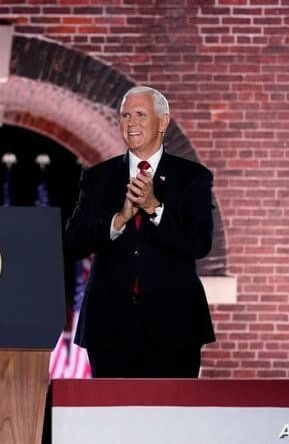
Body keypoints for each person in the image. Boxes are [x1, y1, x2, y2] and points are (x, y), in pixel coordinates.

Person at [65, 85, 215, 378]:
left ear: (163, 121)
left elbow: (199, 244)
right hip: (109, 325)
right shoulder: (98, 178)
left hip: (175, 324)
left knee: (172, 416)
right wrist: (117, 221)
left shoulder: (192, 178)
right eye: (125, 115)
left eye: (140, 114)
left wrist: (154, 207)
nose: (131, 122)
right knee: (113, 417)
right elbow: (72, 243)